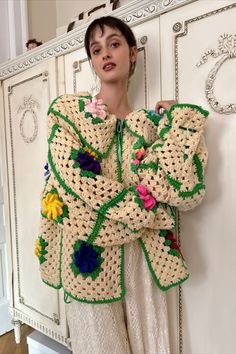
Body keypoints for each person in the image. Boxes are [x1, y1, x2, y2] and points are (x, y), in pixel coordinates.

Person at [35, 16, 208, 354]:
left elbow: (182, 190)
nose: (105, 53)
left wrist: (173, 124)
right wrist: (144, 211)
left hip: (141, 261)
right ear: (92, 62)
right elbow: (73, 184)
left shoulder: (149, 128)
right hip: (87, 260)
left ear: (133, 54)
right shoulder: (68, 113)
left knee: (153, 346)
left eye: (114, 44)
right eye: (96, 49)